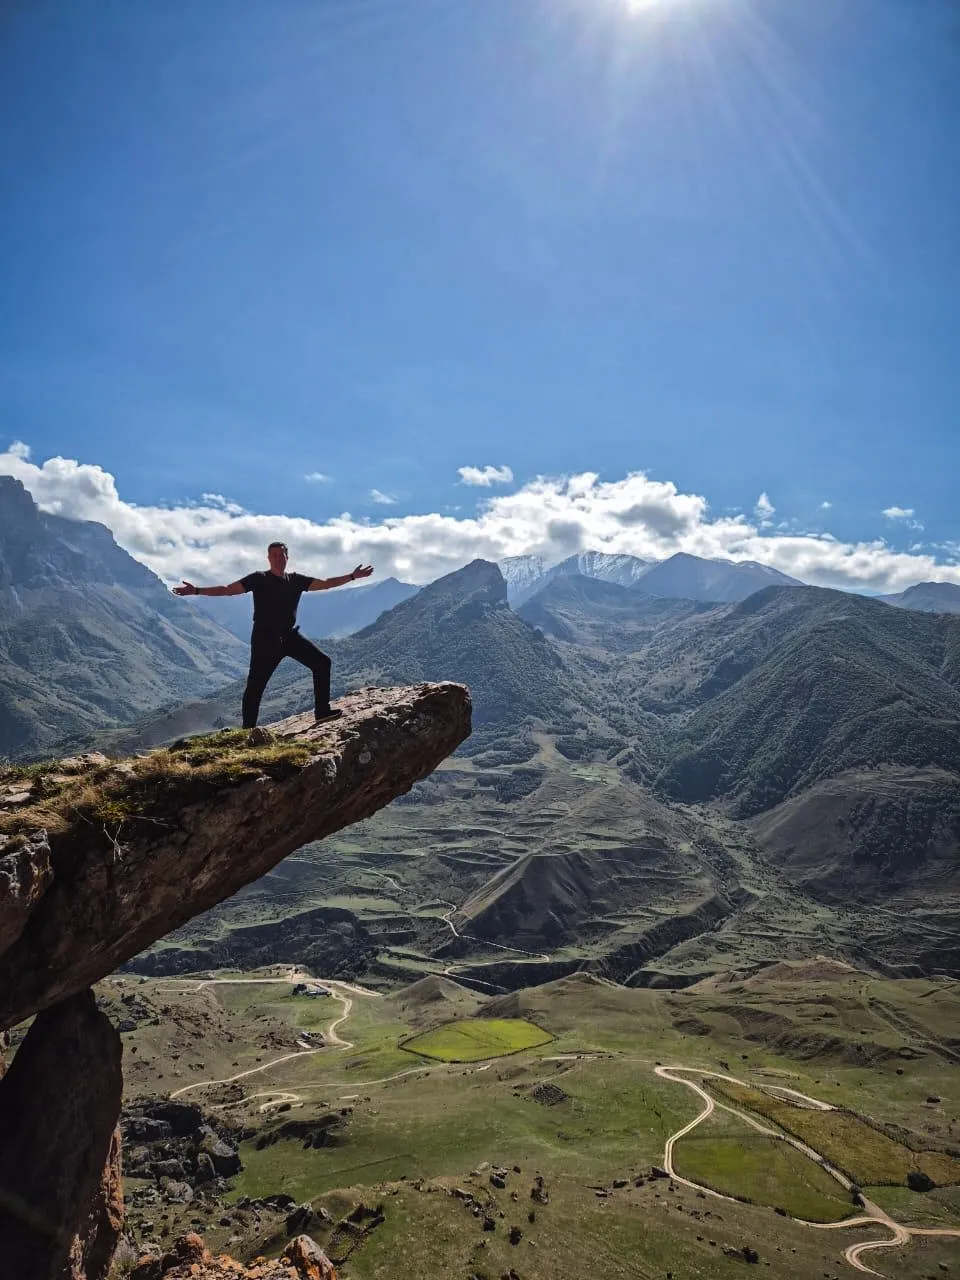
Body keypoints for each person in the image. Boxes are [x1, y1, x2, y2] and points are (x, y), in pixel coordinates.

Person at [173, 542, 373, 729]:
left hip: (289, 636)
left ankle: (322, 712)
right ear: (268, 558)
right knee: (255, 686)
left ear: (288, 557)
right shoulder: (259, 578)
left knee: (322, 662)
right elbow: (228, 590)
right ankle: (248, 732)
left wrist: (352, 576)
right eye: (275, 555)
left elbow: (326, 583)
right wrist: (196, 590)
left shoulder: (296, 580)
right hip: (264, 639)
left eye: (282, 554)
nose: (279, 558)